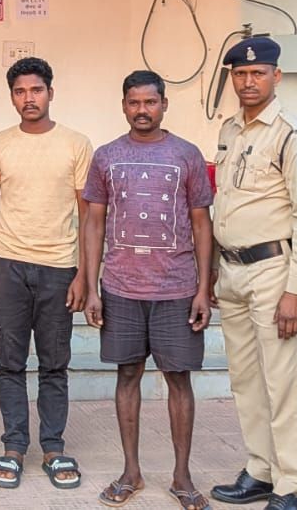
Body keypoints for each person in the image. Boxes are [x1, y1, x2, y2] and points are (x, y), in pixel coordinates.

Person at [83, 70, 215, 510]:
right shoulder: (106, 156)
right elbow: (94, 223)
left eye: (150, 102)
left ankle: (182, 476)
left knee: (179, 379)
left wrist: (203, 288)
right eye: (134, 102)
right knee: (127, 375)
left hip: (177, 289)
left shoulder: (187, 155)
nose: (143, 110)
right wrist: (92, 287)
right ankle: (131, 472)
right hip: (121, 287)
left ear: (164, 105)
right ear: (124, 105)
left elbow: (202, 224)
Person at [209, 37, 297, 510]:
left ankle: (291, 486)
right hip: (233, 270)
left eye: (258, 73)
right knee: (246, 380)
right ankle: (260, 470)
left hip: (274, 272)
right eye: (240, 74)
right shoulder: (230, 130)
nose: (248, 81)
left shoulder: (293, 135)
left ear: (277, 76)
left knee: (283, 382)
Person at [0, 56, 92, 491]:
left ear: (50, 92)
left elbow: (88, 215)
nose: (29, 98)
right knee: (9, 361)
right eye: (20, 91)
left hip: (59, 267)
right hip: (7, 263)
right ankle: (13, 447)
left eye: (36, 90)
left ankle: (53, 447)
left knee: (54, 363)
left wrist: (84, 274)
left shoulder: (76, 144)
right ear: (12, 97)